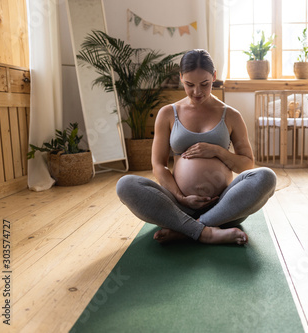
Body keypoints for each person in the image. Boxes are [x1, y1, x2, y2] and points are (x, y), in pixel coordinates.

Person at [116, 49, 276, 245]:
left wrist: (217, 151)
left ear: (214, 77)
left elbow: (247, 165)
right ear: (181, 77)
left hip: (224, 205)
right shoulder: (167, 114)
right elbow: (158, 165)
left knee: (266, 177)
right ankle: (206, 232)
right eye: (189, 85)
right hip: (178, 205)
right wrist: (180, 198)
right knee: (125, 185)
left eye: (205, 84)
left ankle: (188, 229)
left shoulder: (231, 115)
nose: (197, 92)